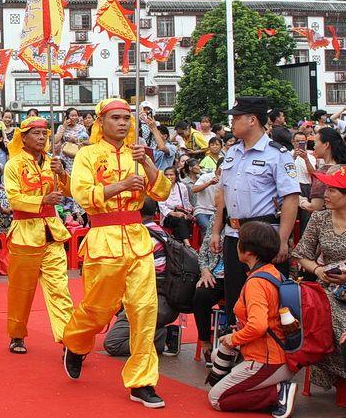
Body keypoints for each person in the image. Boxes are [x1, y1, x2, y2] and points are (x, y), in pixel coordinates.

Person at [63, 98, 171, 408]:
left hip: (138, 239)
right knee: (98, 309)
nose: (123, 123)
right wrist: (121, 184)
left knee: (144, 310)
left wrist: (148, 163)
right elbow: (81, 194)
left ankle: (142, 381)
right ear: (101, 122)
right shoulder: (87, 154)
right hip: (103, 237)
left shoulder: (138, 154)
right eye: (116, 118)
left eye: (126, 118)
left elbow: (161, 192)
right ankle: (77, 341)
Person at [210, 97, 300, 325]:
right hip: (234, 236)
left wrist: (282, 240)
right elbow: (222, 194)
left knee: (268, 300)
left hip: (264, 236)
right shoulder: (232, 153)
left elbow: (291, 199)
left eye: (236, 118)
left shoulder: (277, 154)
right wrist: (215, 231)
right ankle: (235, 347)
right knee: (236, 297)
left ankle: (271, 353)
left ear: (252, 120)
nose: (232, 123)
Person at [208, 222, 297, 418]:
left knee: (216, 398)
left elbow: (258, 326)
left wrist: (234, 338)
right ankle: (250, 382)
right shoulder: (272, 272)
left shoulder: (256, 282)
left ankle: (277, 392)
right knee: (217, 355)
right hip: (279, 353)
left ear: (248, 251)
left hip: (268, 360)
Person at [4, 116, 73, 355]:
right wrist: (42, 200)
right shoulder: (13, 165)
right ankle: (16, 334)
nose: (42, 138)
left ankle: (68, 339)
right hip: (25, 232)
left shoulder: (53, 162)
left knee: (59, 287)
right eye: (36, 134)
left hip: (52, 231)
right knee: (21, 289)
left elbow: (72, 191)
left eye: (44, 134)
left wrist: (63, 174)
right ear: (23, 137)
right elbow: (13, 199)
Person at [291, 166, 346, 403]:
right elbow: (301, 254)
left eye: (332, 190)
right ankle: (341, 380)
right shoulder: (319, 218)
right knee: (332, 319)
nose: (325, 193)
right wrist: (317, 269)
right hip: (328, 288)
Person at [103, 199, 180, 358]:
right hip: (166, 300)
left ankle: (163, 338)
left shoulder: (140, 236)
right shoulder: (160, 232)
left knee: (113, 344)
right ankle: (154, 330)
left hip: (151, 299)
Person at [193, 224, 226, 367]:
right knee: (201, 294)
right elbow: (203, 251)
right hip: (215, 274)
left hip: (239, 276)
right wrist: (205, 270)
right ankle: (205, 341)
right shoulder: (216, 219)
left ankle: (231, 346)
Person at [300, 127, 346, 214]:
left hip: (327, 224)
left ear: (326, 145)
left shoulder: (323, 173)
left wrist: (301, 200)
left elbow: (315, 207)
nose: (314, 146)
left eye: (315, 143)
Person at [158, 166, 194, 245]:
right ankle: (187, 244)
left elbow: (186, 202)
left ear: (176, 176)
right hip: (168, 216)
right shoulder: (161, 188)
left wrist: (189, 211)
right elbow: (162, 207)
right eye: (166, 175)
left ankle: (179, 244)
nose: (169, 177)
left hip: (181, 212)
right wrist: (174, 213)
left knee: (183, 220)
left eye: (171, 175)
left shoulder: (182, 187)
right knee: (180, 219)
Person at [54, 107, 89, 171]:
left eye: (76, 116)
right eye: (72, 116)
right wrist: (64, 127)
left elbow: (86, 141)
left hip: (77, 155)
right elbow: (55, 140)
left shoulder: (81, 128)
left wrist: (75, 140)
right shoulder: (61, 127)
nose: (74, 117)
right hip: (65, 156)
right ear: (67, 117)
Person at [192, 160, 221, 235]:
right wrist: (209, 183)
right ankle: (205, 246)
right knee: (208, 228)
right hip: (202, 210)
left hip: (218, 213)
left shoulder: (228, 179)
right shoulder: (206, 176)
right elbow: (194, 189)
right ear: (219, 168)